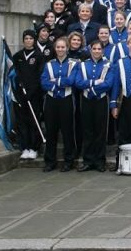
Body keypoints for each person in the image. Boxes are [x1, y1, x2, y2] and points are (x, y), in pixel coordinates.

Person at [73, 39, 115, 172]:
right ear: (90, 50)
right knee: (87, 130)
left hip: (101, 100)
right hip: (86, 100)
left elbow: (108, 83)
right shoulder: (83, 65)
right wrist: (95, 83)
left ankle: (99, 161)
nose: (97, 51)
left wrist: (90, 86)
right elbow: (78, 82)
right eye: (94, 49)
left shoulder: (108, 65)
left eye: (99, 49)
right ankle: (88, 160)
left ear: (103, 51)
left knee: (100, 131)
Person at [40, 37, 77, 172]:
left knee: (67, 131)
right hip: (51, 100)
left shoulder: (74, 63)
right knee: (51, 131)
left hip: (66, 100)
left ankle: (69, 161)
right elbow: (44, 82)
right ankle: (50, 161)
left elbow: (71, 81)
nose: (60, 49)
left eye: (63, 47)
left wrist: (54, 81)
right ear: (55, 49)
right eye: (58, 47)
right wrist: (57, 86)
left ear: (67, 48)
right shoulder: (49, 64)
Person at [12, 30, 45, 160]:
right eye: (26, 38)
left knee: (34, 121)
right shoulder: (17, 56)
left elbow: (39, 76)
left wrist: (31, 92)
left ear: (34, 40)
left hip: (34, 95)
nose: (28, 40)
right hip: (21, 95)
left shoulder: (39, 56)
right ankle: (25, 147)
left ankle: (34, 147)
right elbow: (15, 75)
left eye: (31, 38)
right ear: (23, 40)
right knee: (22, 122)